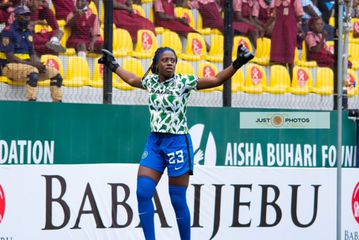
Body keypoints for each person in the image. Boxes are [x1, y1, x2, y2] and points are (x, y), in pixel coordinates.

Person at [98, 45, 254, 239]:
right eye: (165, 60)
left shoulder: (183, 82)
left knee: (177, 199)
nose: (170, 63)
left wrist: (238, 63)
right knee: (143, 192)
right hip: (155, 142)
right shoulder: (151, 82)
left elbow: (216, 80)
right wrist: (113, 65)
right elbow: (131, 79)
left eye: (173, 60)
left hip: (178, 143)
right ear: (156, 65)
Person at [0, 5, 63, 102]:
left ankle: (57, 102)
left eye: (28, 16)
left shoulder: (28, 33)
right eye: (24, 16)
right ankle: (31, 102)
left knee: (55, 74)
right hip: (9, 67)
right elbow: (10, 58)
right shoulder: (8, 32)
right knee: (33, 72)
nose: (27, 18)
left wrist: (39, 64)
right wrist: (33, 64)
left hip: (26, 67)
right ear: (16, 17)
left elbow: (32, 54)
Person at [270, 0, 304, 76]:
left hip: (290, 29)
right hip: (278, 30)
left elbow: (299, 14)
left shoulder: (295, 1)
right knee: (279, 55)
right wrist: (265, 28)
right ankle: (282, 78)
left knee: (289, 53)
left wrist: (293, 23)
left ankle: (291, 78)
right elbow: (273, 16)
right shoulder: (276, 1)